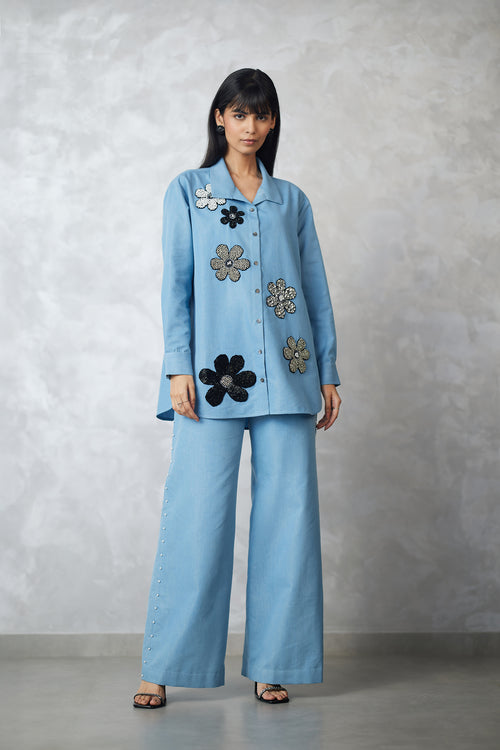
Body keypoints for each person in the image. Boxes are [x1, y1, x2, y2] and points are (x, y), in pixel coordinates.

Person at [133, 68, 341, 709]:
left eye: (262, 114)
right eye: (239, 113)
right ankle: (163, 665)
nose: (251, 126)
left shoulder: (291, 202)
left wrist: (328, 370)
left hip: (288, 376)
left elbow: (314, 291)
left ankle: (274, 663)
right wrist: (176, 366)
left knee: (288, 523)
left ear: (273, 122)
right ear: (220, 117)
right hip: (209, 381)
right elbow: (175, 284)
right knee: (197, 519)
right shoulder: (189, 191)